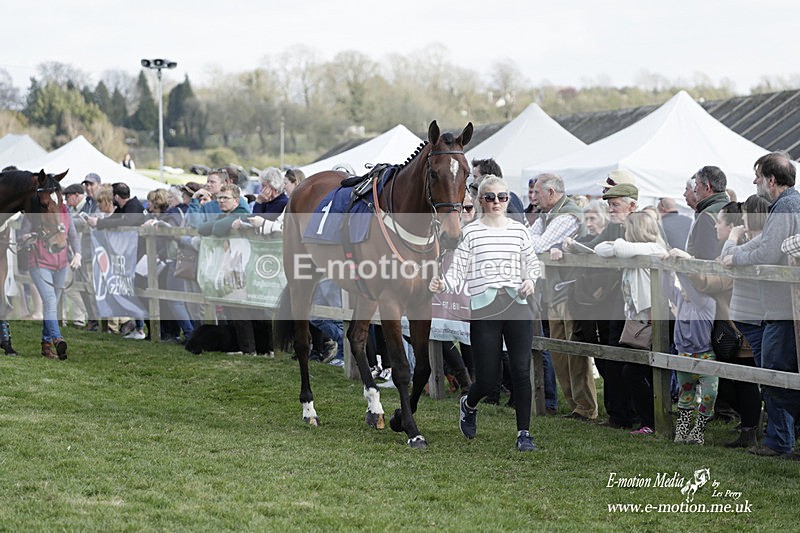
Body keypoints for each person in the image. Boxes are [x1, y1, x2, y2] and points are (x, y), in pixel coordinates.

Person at [429, 175, 541, 452]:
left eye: (502, 197)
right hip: (484, 308)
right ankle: (468, 404)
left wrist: (531, 280)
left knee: (520, 371)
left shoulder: (519, 230)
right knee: (488, 380)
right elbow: (457, 270)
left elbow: (533, 264)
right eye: (490, 197)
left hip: (517, 304)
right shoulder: (470, 232)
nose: (496, 203)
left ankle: (523, 433)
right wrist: (443, 283)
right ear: (480, 200)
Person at [723, 152, 800, 458]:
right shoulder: (785, 205)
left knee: (774, 377)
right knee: (777, 377)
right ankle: (782, 442)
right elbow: (765, 243)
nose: (754, 181)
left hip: (783, 308)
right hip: (780, 307)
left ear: (771, 179)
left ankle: (782, 441)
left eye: (757, 175)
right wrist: (735, 251)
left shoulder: (786, 206)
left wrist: (736, 257)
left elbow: (768, 253)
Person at [595, 211, 669, 435]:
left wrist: (617, 243)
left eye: (627, 229)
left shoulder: (654, 248)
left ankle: (652, 422)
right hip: (638, 321)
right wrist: (617, 244)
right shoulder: (633, 249)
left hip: (652, 321)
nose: (623, 233)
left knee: (635, 373)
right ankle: (649, 420)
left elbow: (621, 248)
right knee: (631, 371)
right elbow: (601, 249)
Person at [531, 173, 597, 421]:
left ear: (551, 192)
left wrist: (544, 243)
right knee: (559, 353)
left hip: (571, 292)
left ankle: (586, 407)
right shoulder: (546, 215)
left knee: (574, 352)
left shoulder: (569, 214)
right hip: (554, 291)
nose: (533, 196)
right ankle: (575, 404)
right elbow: (528, 240)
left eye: (537, 191)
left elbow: (536, 244)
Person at [719, 196, 769, 448]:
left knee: (755, 378)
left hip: (755, 319)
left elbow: (726, 257)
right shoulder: (755, 242)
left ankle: (757, 430)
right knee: (748, 377)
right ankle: (754, 428)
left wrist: (732, 238)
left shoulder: (757, 242)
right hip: (749, 317)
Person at [199, 183, 264, 356]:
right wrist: (218, 223)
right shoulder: (225, 215)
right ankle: (242, 347)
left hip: (243, 268)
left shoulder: (241, 214)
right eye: (219, 198)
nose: (221, 201)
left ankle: (251, 350)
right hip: (230, 267)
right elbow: (202, 228)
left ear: (236, 200)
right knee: (231, 310)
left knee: (242, 311)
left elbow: (217, 229)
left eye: (225, 198)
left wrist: (218, 223)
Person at [20, 193, 82, 359]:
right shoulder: (33, 212)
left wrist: (77, 254)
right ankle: (57, 339)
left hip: (61, 264)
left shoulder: (65, 211)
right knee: (50, 301)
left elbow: (73, 235)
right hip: (39, 263)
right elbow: (22, 236)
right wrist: (29, 238)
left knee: (51, 305)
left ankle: (46, 346)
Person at [687, 166, 729, 260]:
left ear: (707, 187)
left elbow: (705, 259)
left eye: (697, 184)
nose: (695, 189)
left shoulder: (707, 215)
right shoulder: (732, 208)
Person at [470, 158, 525, 224]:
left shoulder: (504, 202)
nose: (473, 182)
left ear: (487, 177)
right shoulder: (514, 197)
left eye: (475, 177)